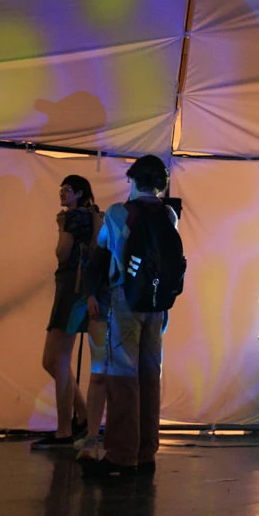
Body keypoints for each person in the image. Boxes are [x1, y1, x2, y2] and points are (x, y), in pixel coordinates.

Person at [83, 156, 179, 476]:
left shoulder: (116, 213)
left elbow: (104, 248)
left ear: (133, 180)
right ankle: (146, 452)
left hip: (125, 301)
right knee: (151, 376)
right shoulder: (169, 214)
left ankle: (121, 457)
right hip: (158, 306)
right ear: (161, 183)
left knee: (123, 377)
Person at [34, 175, 100, 447]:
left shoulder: (74, 218)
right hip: (77, 291)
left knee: (58, 360)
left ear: (80, 193)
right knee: (53, 360)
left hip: (72, 291)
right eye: (61, 190)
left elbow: (62, 254)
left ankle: (64, 430)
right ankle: (82, 415)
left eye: (68, 190)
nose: (62, 194)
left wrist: (62, 227)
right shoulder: (89, 216)